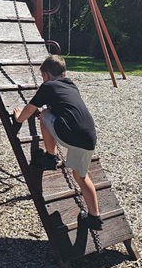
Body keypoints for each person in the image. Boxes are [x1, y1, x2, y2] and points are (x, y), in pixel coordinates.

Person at [13, 54, 102, 230]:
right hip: (89, 136)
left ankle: (50, 156)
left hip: (70, 135)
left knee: (44, 114)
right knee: (81, 177)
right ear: (64, 73)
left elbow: (29, 111)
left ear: (45, 75)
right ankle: (95, 218)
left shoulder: (47, 87)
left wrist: (18, 118)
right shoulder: (71, 85)